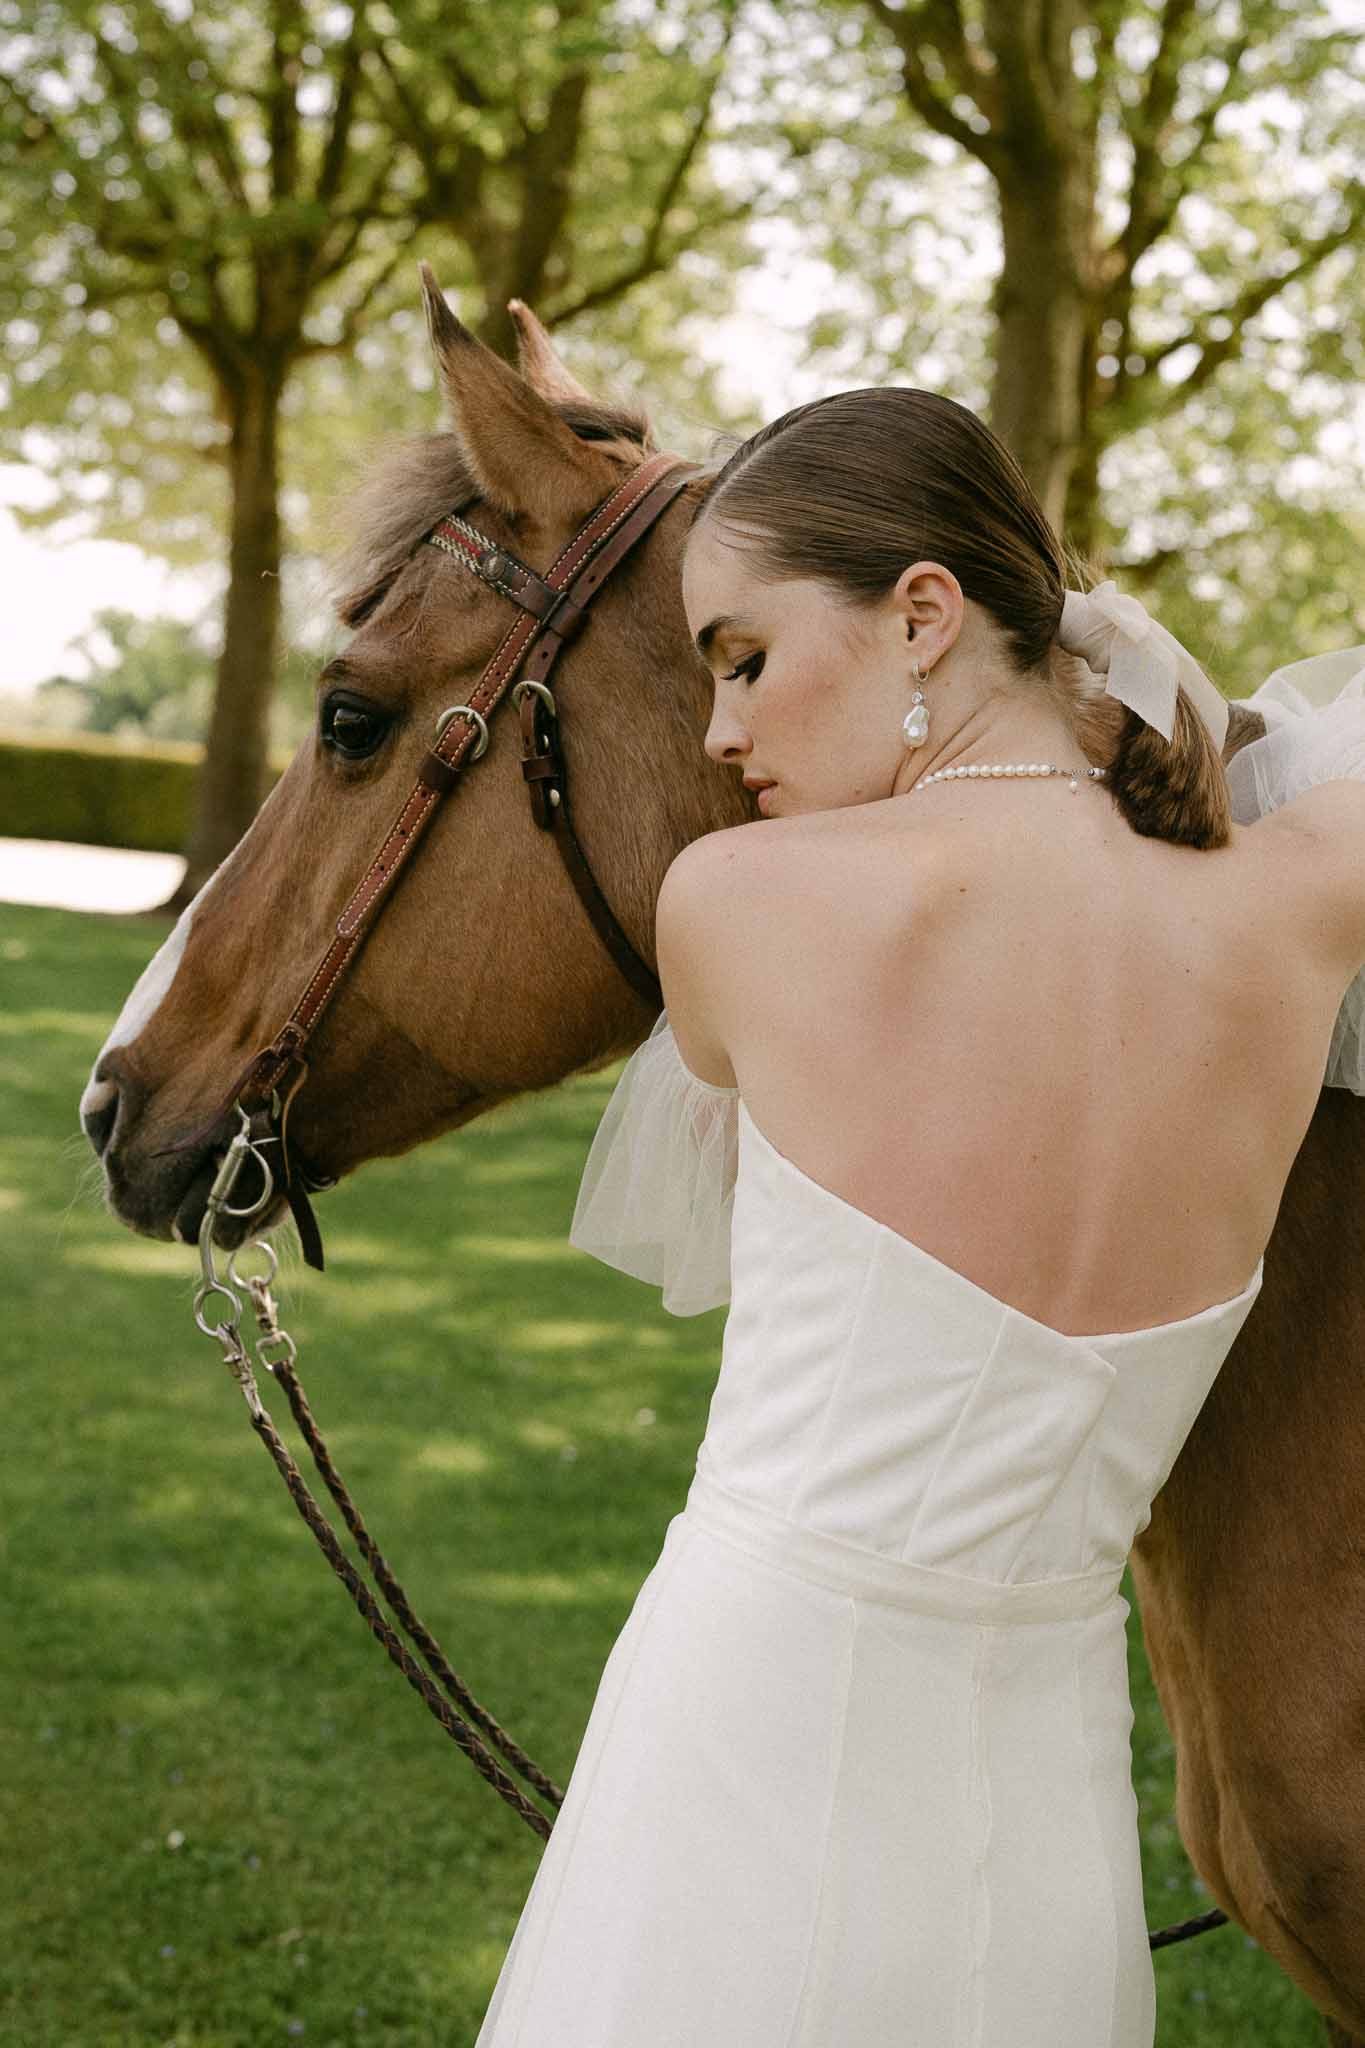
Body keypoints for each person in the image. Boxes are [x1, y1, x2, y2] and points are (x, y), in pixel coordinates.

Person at [473, 388, 1365, 2046]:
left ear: (925, 615)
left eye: (740, 657)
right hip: (1047, 1816)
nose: (719, 732)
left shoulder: (735, 907)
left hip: (740, 1760)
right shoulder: (1295, 917)